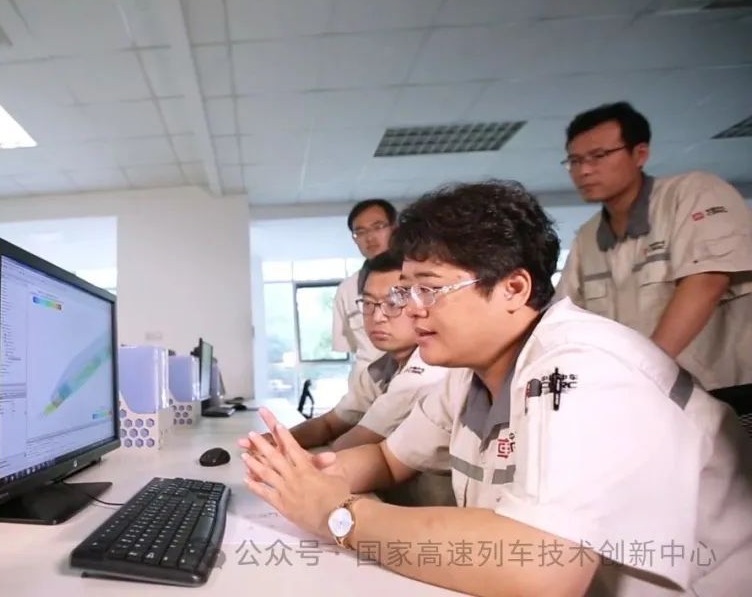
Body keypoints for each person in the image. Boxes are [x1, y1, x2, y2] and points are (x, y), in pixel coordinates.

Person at [240, 181, 752, 596]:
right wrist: (302, 477)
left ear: (513, 288)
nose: (411, 310)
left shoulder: (583, 368)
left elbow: (542, 570)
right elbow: (389, 460)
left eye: (430, 289)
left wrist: (339, 516)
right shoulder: (470, 372)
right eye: (406, 291)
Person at [555, 101, 752, 411]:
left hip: (726, 396)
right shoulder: (587, 238)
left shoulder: (693, 194)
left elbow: (707, 282)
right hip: (649, 402)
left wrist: (642, 373)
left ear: (640, 154)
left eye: (598, 156)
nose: (584, 170)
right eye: (575, 161)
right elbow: (565, 319)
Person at [285, 250, 450, 451]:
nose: (377, 317)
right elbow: (329, 424)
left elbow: (352, 443)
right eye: (368, 303)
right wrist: (273, 442)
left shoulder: (428, 371)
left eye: (393, 303)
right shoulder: (381, 367)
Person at [331, 199, 397, 407]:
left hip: (416, 384)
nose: (370, 237)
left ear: (395, 228)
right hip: (365, 394)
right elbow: (352, 347)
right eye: (360, 232)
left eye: (378, 227)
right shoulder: (347, 290)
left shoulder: (419, 279)